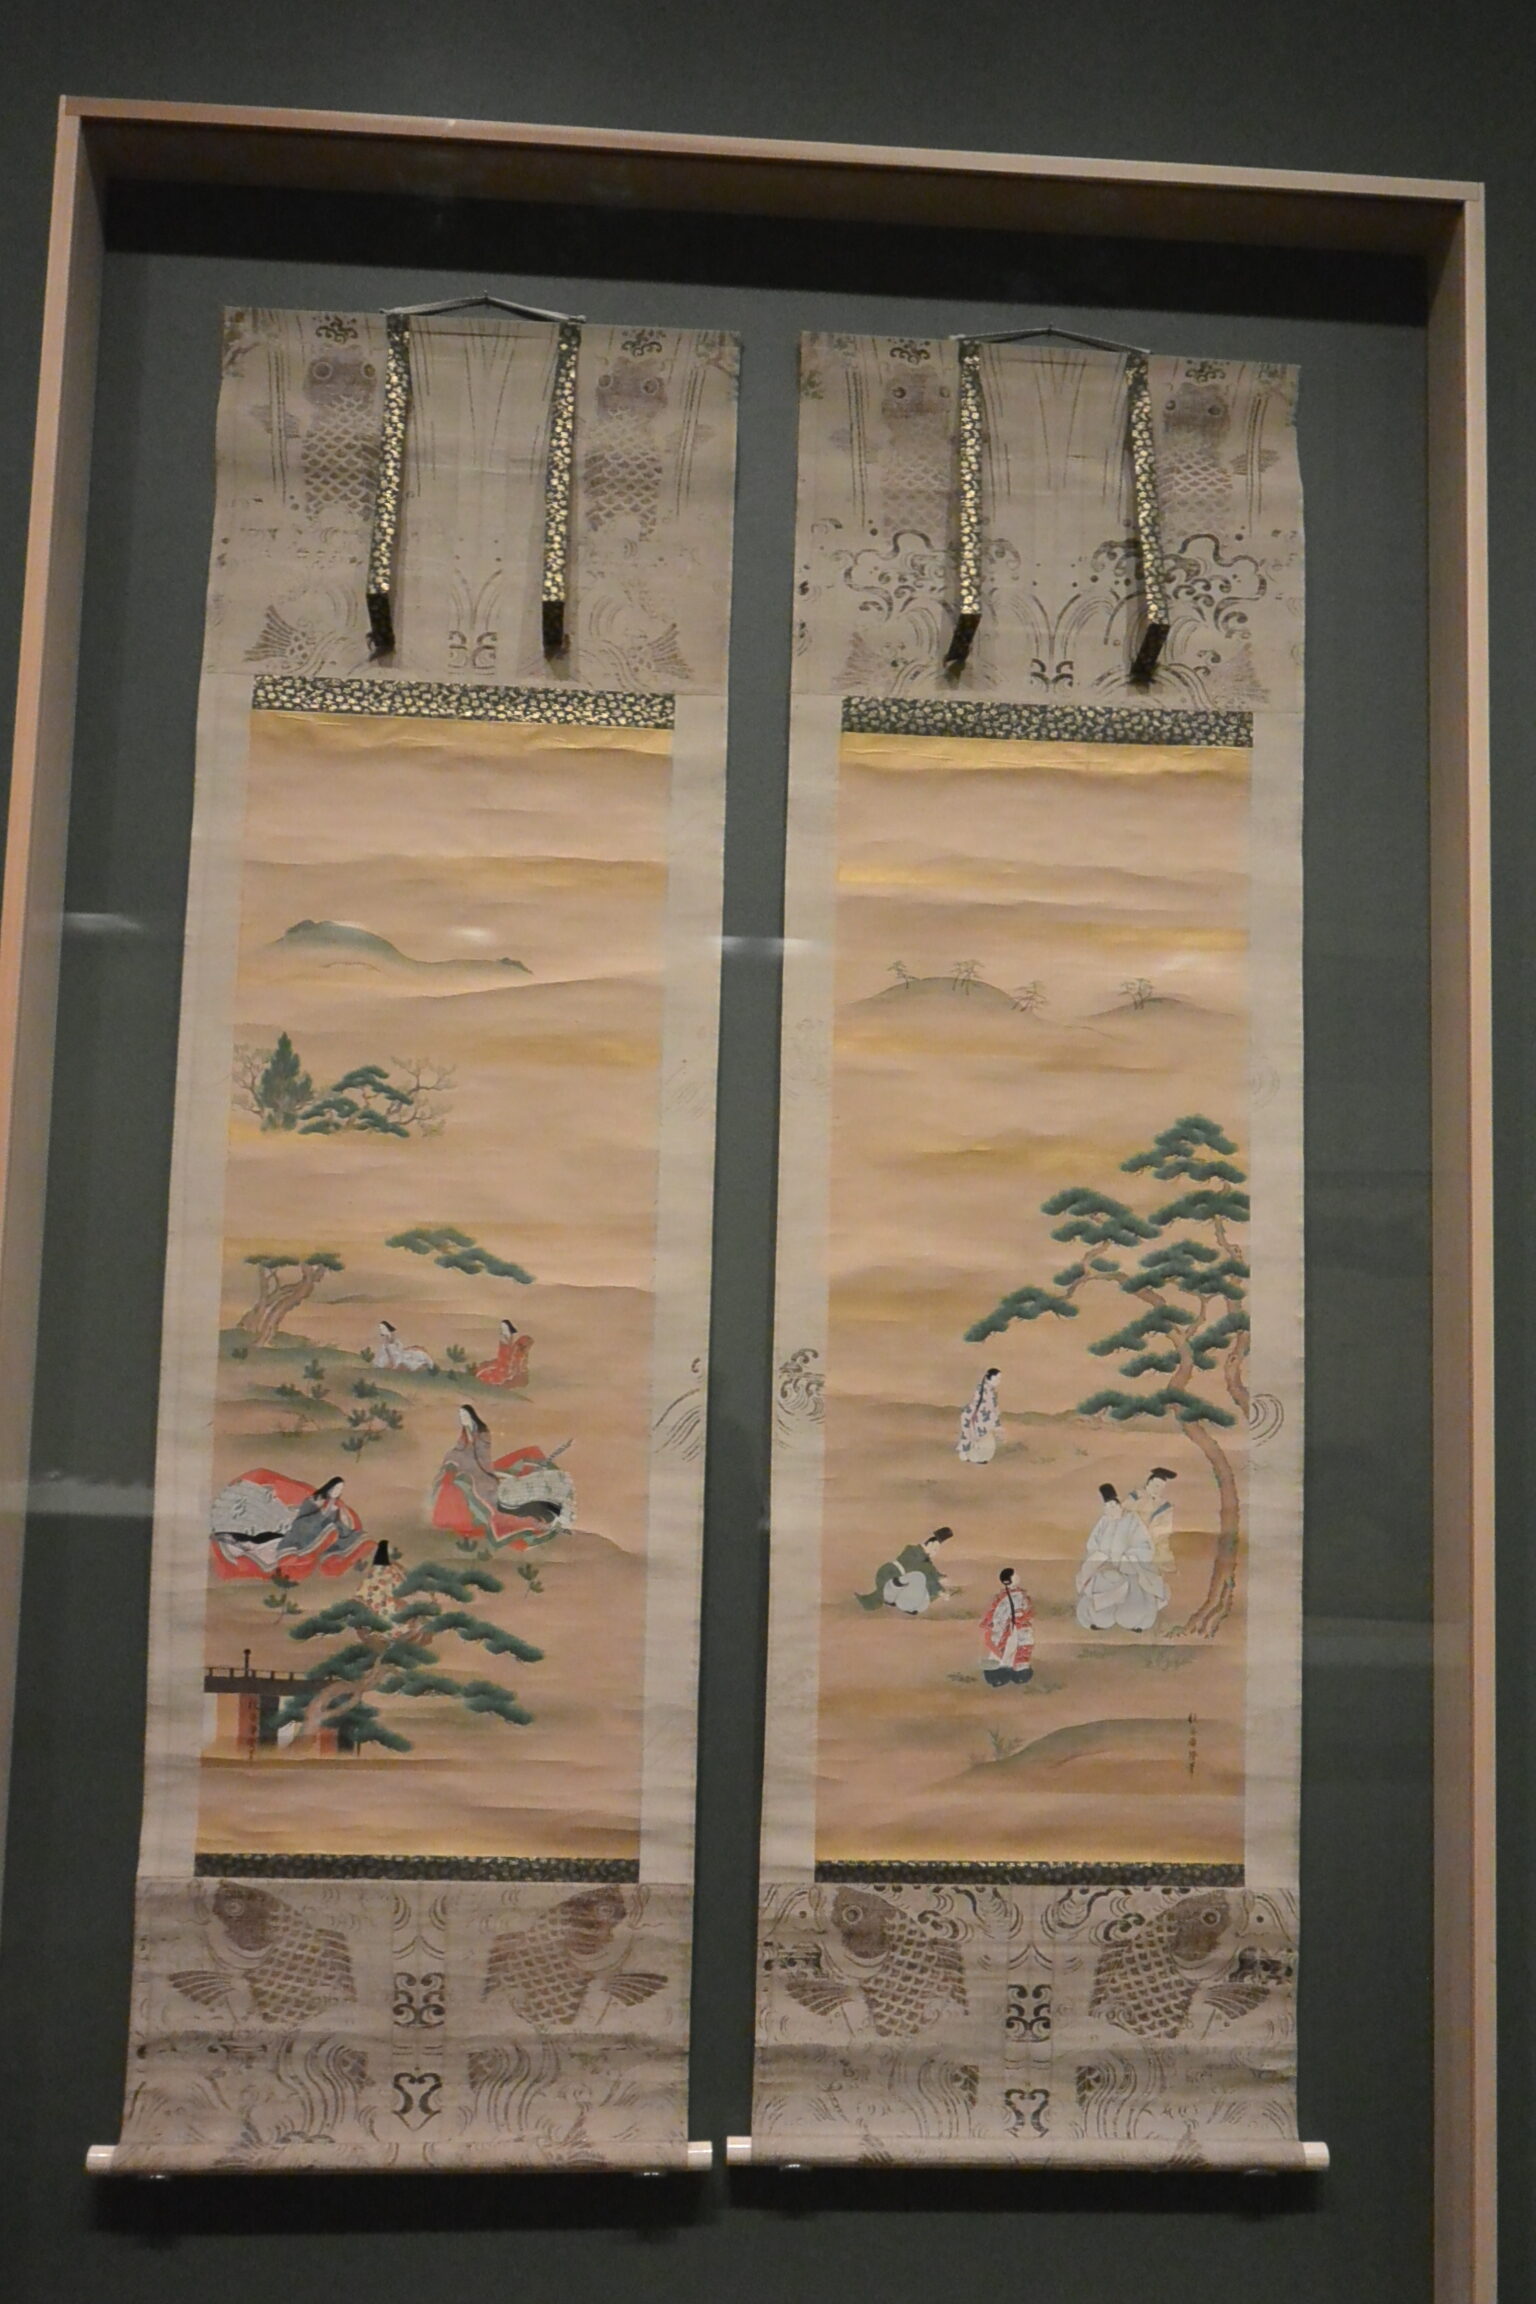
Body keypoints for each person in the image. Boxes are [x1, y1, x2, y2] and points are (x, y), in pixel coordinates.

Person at [209, 1470, 371, 1581]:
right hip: (252, 1529)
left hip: (256, 1525)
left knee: (304, 1522)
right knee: (302, 1526)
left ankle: (322, 1508)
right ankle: (321, 1508)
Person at [1075, 1482, 1168, 1633]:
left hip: (1129, 1569)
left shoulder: (1132, 1520)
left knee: (1133, 1603)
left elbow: (1144, 1545)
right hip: (1105, 1568)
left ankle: (1138, 1622)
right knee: (1097, 1595)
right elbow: (1093, 1544)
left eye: (1113, 1505)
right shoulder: (1104, 1521)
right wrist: (1100, 1557)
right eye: (1107, 1507)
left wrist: (1128, 1558)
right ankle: (1095, 1620)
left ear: (1119, 1504)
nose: (1111, 1510)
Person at [856, 1527, 954, 1615]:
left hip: (888, 1572)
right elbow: (928, 1573)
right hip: (890, 1574)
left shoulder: (917, 1553)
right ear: (929, 1544)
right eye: (935, 1549)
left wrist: (940, 1579)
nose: (935, 1553)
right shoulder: (918, 1555)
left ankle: (868, 1603)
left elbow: (930, 1571)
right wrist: (941, 1590)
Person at [980, 1568, 1034, 1685]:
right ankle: (1001, 1675)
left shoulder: (1015, 1594)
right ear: (1011, 1580)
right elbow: (1000, 1615)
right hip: (1009, 1628)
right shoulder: (1008, 1596)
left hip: (1015, 1627)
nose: (1018, 1577)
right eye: (1015, 1576)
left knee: (1013, 1650)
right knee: (1006, 1650)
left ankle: (1015, 1673)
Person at [1127, 1467, 1178, 1571]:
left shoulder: (1165, 1506)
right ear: (1148, 1484)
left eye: (1161, 1487)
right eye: (1156, 1485)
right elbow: (1124, 1516)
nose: (1157, 1490)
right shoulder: (1135, 1497)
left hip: (1153, 1541)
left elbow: (1164, 1529)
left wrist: (1150, 1539)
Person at [956, 1369, 1002, 1465]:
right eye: (996, 1378)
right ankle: (972, 1457)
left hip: (985, 1419)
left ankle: (980, 1457)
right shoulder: (981, 1389)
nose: (998, 1381)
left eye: (999, 1379)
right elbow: (976, 1404)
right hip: (977, 1417)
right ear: (989, 1378)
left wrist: (996, 1422)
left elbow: (994, 1407)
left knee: (986, 1441)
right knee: (974, 1438)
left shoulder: (992, 1391)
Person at [476, 1319, 532, 1389]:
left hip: (499, 1375)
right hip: (495, 1376)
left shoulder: (514, 1366)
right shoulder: (504, 1371)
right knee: (505, 1364)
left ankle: (506, 1332)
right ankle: (506, 1332)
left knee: (506, 1363)